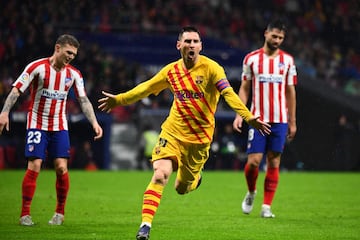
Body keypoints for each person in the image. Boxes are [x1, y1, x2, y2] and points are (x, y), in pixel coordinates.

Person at [98, 26, 271, 240]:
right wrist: (119, 99)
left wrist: (248, 116)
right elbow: (146, 88)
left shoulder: (212, 68)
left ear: (200, 46)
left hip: (199, 141)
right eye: (187, 41)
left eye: (195, 41)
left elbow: (228, 94)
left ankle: (194, 179)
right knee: (160, 175)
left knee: (181, 188)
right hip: (172, 133)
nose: (191, 45)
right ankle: (145, 226)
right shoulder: (171, 71)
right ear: (179, 45)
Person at [0, 34, 103, 226]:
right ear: (57, 48)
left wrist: (94, 123)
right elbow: (16, 91)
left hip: (59, 125)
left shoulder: (74, 74)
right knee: (35, 165)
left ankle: (59, 213)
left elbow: (83, 100)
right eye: (68, 52)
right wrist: (4, 113)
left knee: (61, 167)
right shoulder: (36, 67)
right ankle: (25, 215)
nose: (71, 56)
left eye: (74, 54)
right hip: (37, 123)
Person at [233, 19, 297, 218]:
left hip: (280, 119)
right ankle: (251, 192)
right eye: (274, 36)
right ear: (266, 34)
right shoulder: (251, 59)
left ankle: (266, 207)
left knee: (274, 161)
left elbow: (290, 92)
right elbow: (244, 88)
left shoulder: (287, 61)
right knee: (253, 161)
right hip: (257, 119)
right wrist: (240, 114)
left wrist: (292, 121)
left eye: (280, 37)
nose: (277, 40)